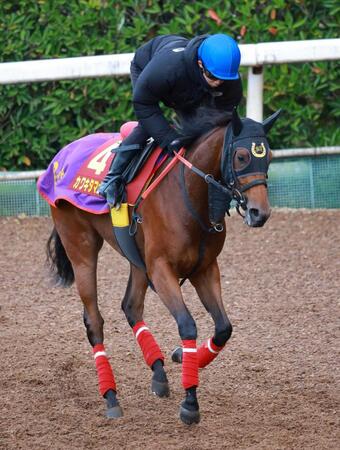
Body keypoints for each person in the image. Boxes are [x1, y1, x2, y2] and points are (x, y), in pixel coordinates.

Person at [98, 33, 243, 208]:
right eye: (213, 77)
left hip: (185, 83)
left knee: (203, 125)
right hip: (148, 69)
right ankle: (112, 177)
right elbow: (144, 103)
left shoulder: (226, 75)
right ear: (200, 64)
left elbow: (223, 117)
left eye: (224, 80)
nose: (219, 83)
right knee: (148, 125)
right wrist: (169, 139)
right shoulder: (167, 68)